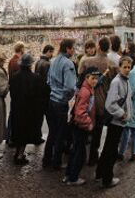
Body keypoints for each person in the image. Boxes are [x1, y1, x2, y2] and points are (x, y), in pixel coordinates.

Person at [96, 56, 133, 188]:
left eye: (129, 67)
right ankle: (107, 179)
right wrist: (122, 114)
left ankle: (100, 172)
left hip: (120, 121)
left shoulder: (125, 81)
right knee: (111, 151)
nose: (127, 69)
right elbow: (110, 104)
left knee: (108, 148)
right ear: (119, 67)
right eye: (125, 67)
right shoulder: (117, 82)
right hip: (116, 122)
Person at [80, 36, 116, 166]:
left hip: (87, 99)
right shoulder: (112, 64)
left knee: (84, 130)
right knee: (97, 131)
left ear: (98, 46)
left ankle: (81, 156)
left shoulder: (87, 61)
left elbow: (80, 78)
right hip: (102, 101)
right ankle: (93, 157)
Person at [42, 38, 77, 170]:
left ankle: (46, 159)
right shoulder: (68, 64)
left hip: (52, 100)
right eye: (73, 47)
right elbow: (70, 87)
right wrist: (68, 98)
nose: (74, 50)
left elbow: (49, 82)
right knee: (60, 134)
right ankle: (56, 162)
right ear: (68, 48)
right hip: (61, 102)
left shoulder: (53, 61)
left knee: (52, 132)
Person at [64, 68, 99, 186]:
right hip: (81, 126)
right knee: (80, 153)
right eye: (93, 78)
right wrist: (89, 123)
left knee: (75, 150)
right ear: (86, 78)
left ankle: (69, 175)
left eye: (96, 78)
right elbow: (80, 112)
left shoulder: (86, 88)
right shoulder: (86, 92)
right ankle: (73, 178)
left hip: (77, 125)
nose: (95, 81)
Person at [9, 54, 46, 165]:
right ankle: (19, 156)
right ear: (30, 65)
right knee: (25, 133)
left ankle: (18, 153)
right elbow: (40, 96)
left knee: (18, 132)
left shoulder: (14, 77)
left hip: (17, 109)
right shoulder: (37, 78)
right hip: (30, 110)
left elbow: (12, 94)